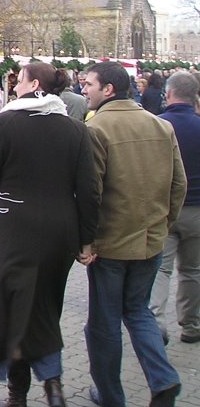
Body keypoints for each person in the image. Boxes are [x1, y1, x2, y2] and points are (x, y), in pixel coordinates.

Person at [0, 64, 100, 407]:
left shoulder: (8, 122)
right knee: (41, 307)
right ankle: (52, 386)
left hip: (14, 225)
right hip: (60, 230)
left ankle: (19, 392)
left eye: (19, 79)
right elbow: (89, 191)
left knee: (10, 307)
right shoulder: (75, 129)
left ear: (34, 84)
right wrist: (86, 240)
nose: (14, 85)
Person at [79, 61, 185, 407]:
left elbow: (90, 192)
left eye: (89, 84)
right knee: (138, 312)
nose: (84, 90)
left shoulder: (96, 129)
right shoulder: (160, 124)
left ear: (108, 89)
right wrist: (163, 225)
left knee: (104, 324)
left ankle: (111, 396)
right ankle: (163, 378)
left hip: (110, 245)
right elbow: (178, 185)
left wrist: (87, 240)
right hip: (149, 241)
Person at [151, 72, 200, 345]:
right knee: (192, 270)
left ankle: (156, 323)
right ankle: (191, 325)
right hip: (197, 210)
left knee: (161, 269)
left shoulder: (158, 125)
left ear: (168, 94)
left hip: (165, 210)